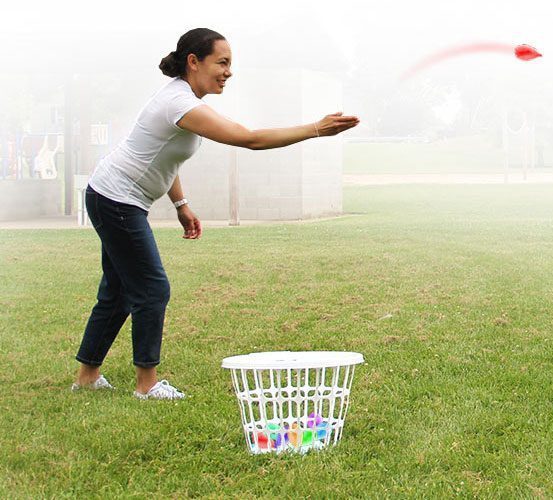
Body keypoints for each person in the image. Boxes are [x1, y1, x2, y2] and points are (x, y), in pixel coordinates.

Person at [71, 28, 359, 400]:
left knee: (118, 291)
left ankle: (87, 376)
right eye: (222, 63)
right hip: (117, 200)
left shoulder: (183, 100)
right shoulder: (179, 103)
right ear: (194, 61)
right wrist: (315, 129)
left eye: (230, 64)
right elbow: (249, 138)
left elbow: (165, 157)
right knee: (151, 289)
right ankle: (146, 385)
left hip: (113, 196)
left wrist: (181, 205)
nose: (228, 72)